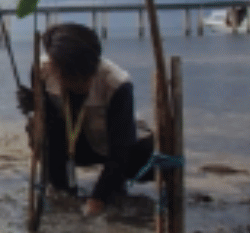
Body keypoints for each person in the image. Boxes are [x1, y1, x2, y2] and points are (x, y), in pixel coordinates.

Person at [18, 22, 154, 218]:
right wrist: (34, 103)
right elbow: (49, 122)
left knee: (143, 157)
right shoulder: (43, 70)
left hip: (118, 147)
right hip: (78, 143)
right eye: (76, 77)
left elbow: (120, 149)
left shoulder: (117, 83)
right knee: (41, 129)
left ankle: (112, 185)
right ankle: (62, 188)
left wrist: (97, 200)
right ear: (57, 69)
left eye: (88, 75)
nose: (85, 82)